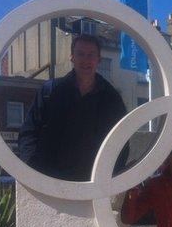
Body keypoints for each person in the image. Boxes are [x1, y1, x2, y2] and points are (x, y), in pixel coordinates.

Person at [19, 34, 128, 181]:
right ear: (72, 57)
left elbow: (122, 139)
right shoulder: (50, 92)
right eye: (80, 54)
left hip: (92, 184)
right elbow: (29, 133)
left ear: (98, 60)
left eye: (91, 55)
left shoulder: (111, 98)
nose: (86, 60)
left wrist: (109, 177)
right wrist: (32, 169)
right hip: (50, 182)